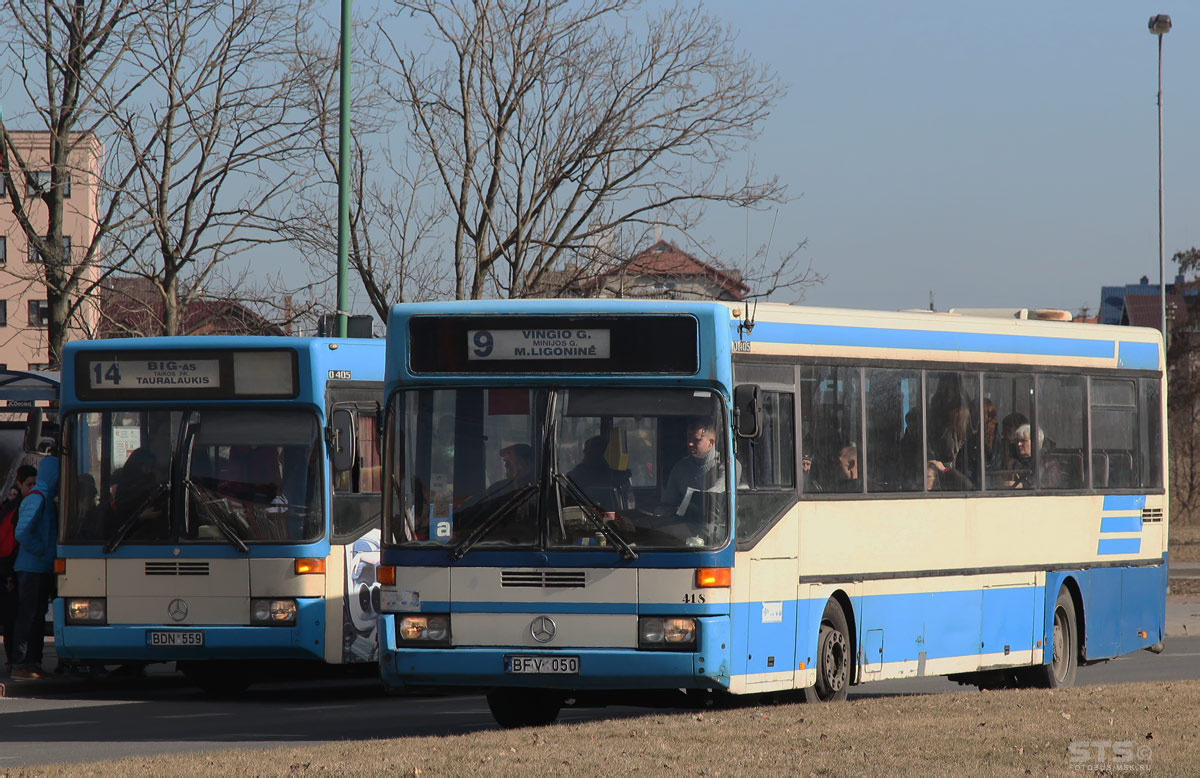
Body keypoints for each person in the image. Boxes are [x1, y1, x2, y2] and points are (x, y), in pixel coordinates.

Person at [10, 457, 59, 679]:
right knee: (29, 616)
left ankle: (32, 662)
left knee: (36, 616)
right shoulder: (37, 498)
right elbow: (22, 532)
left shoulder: (45, 498)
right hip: (32, 567)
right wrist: (42, 550)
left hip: (40, 566)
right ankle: (21, 663)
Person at [1, 464, 37, 674]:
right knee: (16, 617)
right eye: (29, 484)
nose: (32, 488)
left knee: (12, 617)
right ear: (19, 484)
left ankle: (14, 659)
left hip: (11, 568)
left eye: (35, 484)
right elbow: (11, 542)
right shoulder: (20, 506)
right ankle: (17, 660)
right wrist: (7, 574)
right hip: (11, 569)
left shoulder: (14, 505)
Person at [567, 436, 634, 511]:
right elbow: (605, 480)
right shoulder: (579, 474)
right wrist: (621, 476)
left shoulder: (604, 469)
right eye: (599, 451)